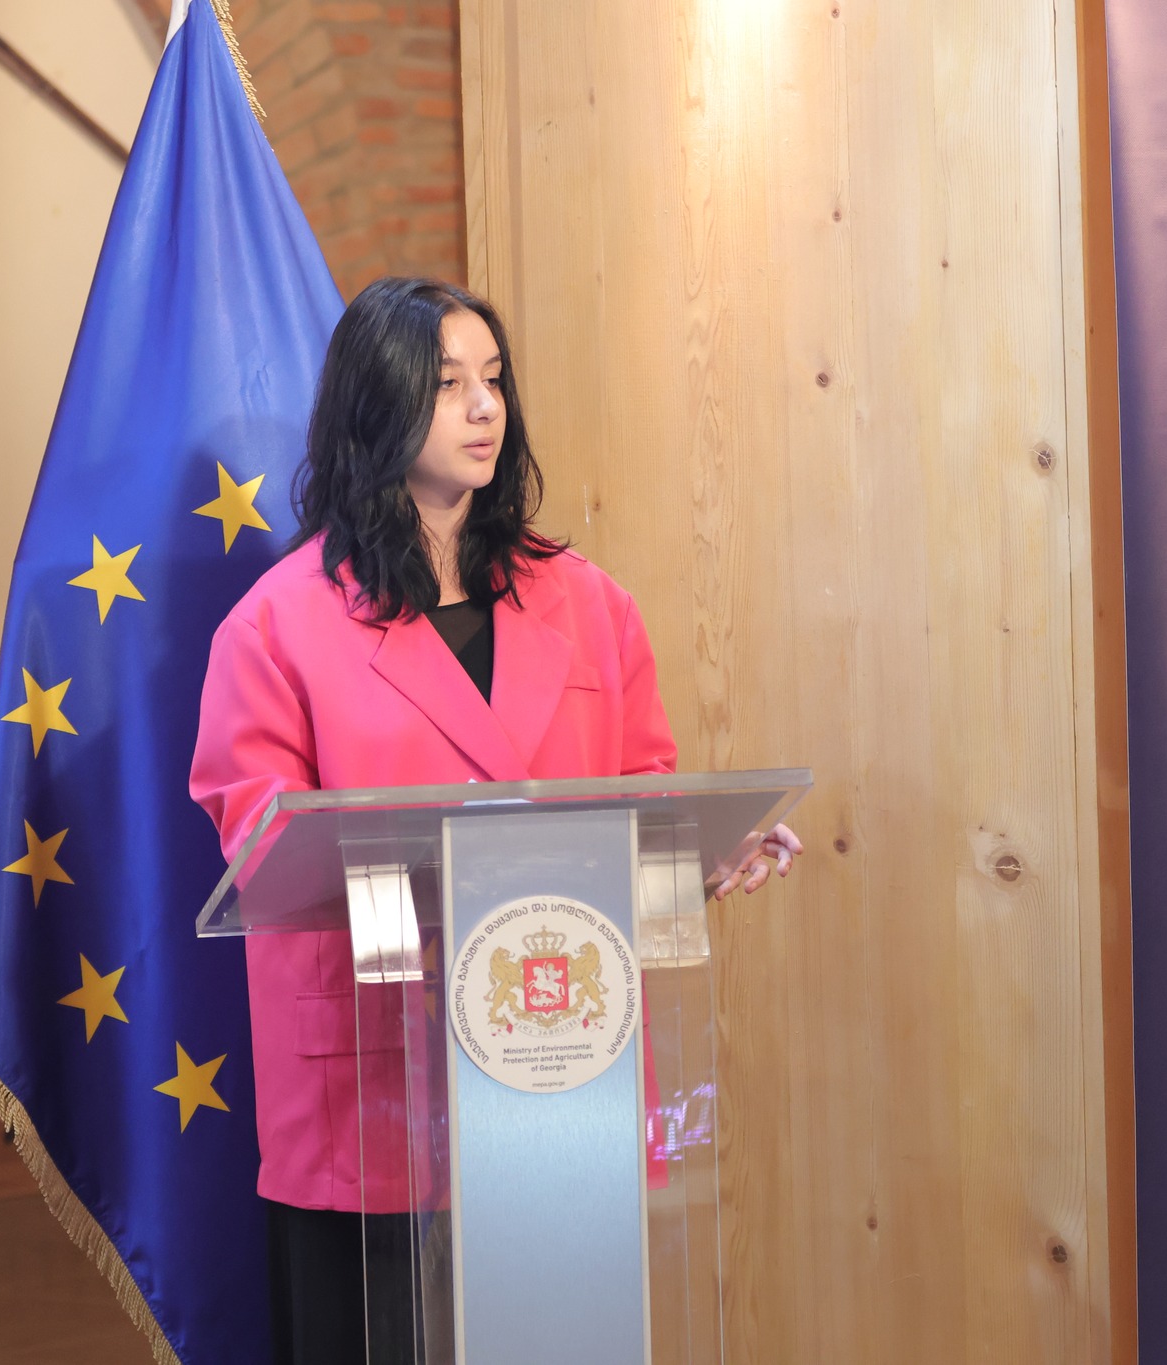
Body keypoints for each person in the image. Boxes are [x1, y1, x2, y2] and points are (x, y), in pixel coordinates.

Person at [189, 276, 800, 1364]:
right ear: (377, 405)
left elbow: (642, 794)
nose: (484, 408)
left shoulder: (589, 603)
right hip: (374, 1085)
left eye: (494, 380)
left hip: (554, 1058)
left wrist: (705, 854)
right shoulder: (275, 627)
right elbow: (265, 846)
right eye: (447, 384)